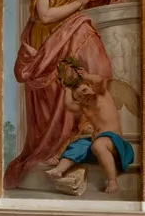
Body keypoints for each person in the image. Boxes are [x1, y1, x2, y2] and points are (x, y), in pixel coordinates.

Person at [3, 0, 126, 191]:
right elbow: (44, 16)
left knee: (91, 59)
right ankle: (56, 147)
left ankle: (84, 136)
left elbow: (97, 2)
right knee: (60, 92)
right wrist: (81, 0)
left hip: (73, 33)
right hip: (48, 40)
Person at [44, 58, 134, 195]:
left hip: (115, 143)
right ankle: (59, 169)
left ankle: (112, 180)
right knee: (77, 145)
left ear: (92, 87)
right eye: (79, 97)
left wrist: (87, 76)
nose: (84, 95)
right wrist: (66, 90)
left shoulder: (102, 96)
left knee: (98, 145)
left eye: (85, 90)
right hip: (97, 144)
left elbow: (100, 80)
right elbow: (68, 105)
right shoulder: (84, 108)